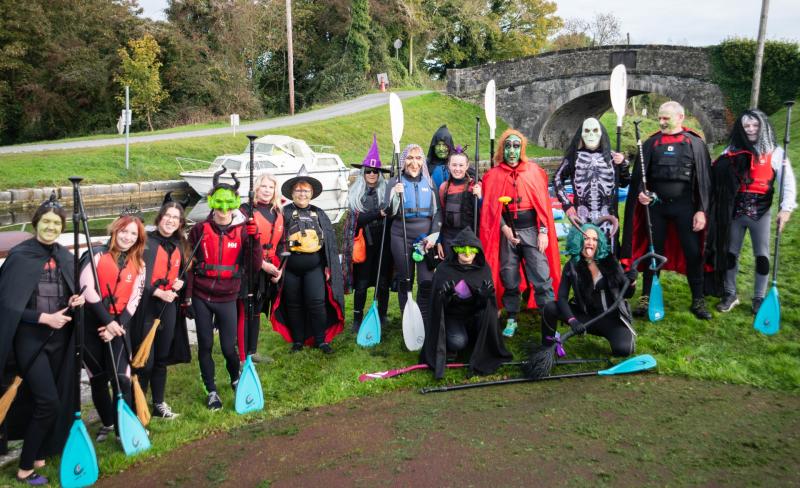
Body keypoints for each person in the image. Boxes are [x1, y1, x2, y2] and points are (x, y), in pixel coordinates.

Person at [0, 194, 84, 485]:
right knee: (47, 402)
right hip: (30, 339)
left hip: (60, 339)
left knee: (55, 398)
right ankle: (24, 468)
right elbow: (8, 306)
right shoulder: (21, 256)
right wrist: (43, 318)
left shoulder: (64, 255)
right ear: (36, 223)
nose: (51, 227)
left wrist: (76, 300)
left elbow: (69, 295)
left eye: (56, 223)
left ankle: (38, 452)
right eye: (46, 222)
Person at [621, 101, 713, 320]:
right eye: (659, 117)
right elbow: (641, 177)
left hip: (685, 208)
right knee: (653, 253)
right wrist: (643, 193)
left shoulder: (695, 144)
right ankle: (646, 296)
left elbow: (704, 181)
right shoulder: (651, 143)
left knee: (693, 252)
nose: (661, 121)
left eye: (666, 118)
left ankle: (698, 298)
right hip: (656, 207)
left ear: (680, 117)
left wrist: (701, 210)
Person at [185, 168, 260, 410]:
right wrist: (186, 297)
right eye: (219, 204)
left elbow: (254, 265)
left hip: (228, 296)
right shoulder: (199, 231)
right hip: (201, 296)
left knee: (229, 347)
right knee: (205, 344)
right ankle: (211, 390)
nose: (224, 210)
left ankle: (235, 378)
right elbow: (187, 263)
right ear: (211, 203)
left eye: (229, 205)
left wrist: (255, 239)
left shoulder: (243, 231)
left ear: (236, 204)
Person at [707, 109, 796, 314]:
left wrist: (786, 209)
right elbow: (716, 171)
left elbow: (787, 182)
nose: (751, 129)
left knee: (762, 256)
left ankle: (759, 297)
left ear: (762, 126)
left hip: (761, 211)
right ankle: (730, 293)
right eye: (747, 126)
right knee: (730, 253)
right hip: (735, 211)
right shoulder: (731, 150)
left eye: (755, 125)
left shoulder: (776, 152)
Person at [479, 129, 561, 338]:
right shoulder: (493, 176)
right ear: (502, 149)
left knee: (542, 275)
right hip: (508, 234)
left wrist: (543, 232)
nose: (512, 151)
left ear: (522, 149)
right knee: (509, 276)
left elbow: (543, 205)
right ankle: (512, 316)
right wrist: (505, 229)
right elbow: (490, 208)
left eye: (516, 146)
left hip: (532, 231)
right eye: (508, 146)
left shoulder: (534, 172)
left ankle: (548, 317)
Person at [80, 213, 146, 442]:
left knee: (121, 379)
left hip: (118, 327)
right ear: (115, 230)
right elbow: (86, 289)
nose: (127, 237)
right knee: (98, 379)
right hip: (91, 326)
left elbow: (134, 300)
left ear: (138, 238)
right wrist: (106, 322)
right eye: (123, 231)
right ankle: (107, 422)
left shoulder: (139, 264)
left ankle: (123, 429)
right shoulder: (94, 254)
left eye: (133, 234)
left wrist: (115, 326)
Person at [129, 194, 191, 420]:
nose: (171, 221)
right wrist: (156, 291)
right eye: (168, 216)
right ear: (160, 218)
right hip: (146, 307)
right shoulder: (144, 241)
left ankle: (158, 404)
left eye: (176, 218)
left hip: (169, 308)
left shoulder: (181, 244)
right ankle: (138, 405)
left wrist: (180, 284)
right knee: (146, 361)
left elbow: (183, 274)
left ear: (180, 223)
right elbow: (132, 275)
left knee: (162, 358)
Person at [270, 165, 345, 353]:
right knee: (293, 304)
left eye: (306, 190)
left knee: (317, 302)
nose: (302, 194)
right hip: (290, 268)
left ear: (311, 193)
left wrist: (328, 266)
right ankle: (297, 340)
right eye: (298, 190)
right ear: (292, 192)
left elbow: (329, 244)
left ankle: (321, 340)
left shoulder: (320, 214)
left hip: (314, 267)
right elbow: (275, 241)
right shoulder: (283, 213)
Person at [421, 228, 512, 379]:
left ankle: (480, 347)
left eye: (472, 250)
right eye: (463, 249)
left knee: (486, 316)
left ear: (477, 252)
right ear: (456, 250)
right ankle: (453, 348)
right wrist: (446, 297)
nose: (467, 253)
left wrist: (483, 297)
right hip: (454, 318)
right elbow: (436, 307)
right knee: (458, 342)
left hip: (474, 316)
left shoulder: (483, 269)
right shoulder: (444, 270)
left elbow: (489, 307)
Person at [541, 225, 637, 357]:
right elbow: (562, 297)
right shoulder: (572, 265)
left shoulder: (610, 261)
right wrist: (572, 320)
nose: (590, 242)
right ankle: (547, 347)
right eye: (586, 238)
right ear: (578, 240)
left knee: (623, 350)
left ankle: (624, 336)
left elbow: (627, 294)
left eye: (595, 239)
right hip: (585, 318)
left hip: (611, 319)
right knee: (550, 307)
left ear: (599, 243)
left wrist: (631, 283)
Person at [387, 143, 442, 328]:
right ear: (404, 161)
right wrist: (396, 195)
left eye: (418, 158)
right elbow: (389, 212)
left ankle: (424, 318)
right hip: (400, 236)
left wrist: (433, 237)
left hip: (425, 238)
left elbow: (437, 212)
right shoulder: (395, 182)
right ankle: (408, 319)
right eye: (410, 158)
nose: (414, 163)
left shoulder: (430, 181)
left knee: (426, 281)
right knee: (405, 279)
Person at [552, 117, 630, 248]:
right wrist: (567, 205)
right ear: (581, 134)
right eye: (587, 131)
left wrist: (623, 164)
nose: (591, 135)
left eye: (595, 130)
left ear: (601, 133)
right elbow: (557, 178)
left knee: (609, 250)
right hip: (583, 214)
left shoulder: (612, 157)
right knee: (584, 250)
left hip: (608, 216)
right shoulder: (573, 158)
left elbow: (624, 183)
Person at [342, 135, 392, 332]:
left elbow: (393, 215)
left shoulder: (386, 192)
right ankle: (357, 318)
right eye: (369, 171)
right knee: (361, 284)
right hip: (364, 245)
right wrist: (378, 213)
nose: (372, 174)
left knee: (383, 283)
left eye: (376, 171)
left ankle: (382, 314)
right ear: (363, 172)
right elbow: (357, 221)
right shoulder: (355, 195)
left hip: (383, 244)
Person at [240, 172, 283, 362]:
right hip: (249, 268)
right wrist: (262, 264)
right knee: (245, 310)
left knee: (257, 309)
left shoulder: (278, 212)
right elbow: (242, 242)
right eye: (263, 186)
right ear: (256, 188)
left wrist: (278, 269)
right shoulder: (246, 210)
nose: (267, 190)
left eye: (271, 187)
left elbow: (282, 244)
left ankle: (252, 351)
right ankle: (241, 353)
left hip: (269, 269)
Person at [436, 146, 481, 258]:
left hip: (469, 235)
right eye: (454, 165)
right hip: (449, 237)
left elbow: (484, 211)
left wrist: (479, 197)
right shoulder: (443, 187)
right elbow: (440, 214)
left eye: (461, 165)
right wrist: (439, 241)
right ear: (449, 166)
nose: (457, 169)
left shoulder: (474, 186)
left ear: (467, 166)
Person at [427, 124, 456, 190]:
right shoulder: (426, 166)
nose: (441, 148)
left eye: (444, 145)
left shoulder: (457, 165)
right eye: (438, 145)